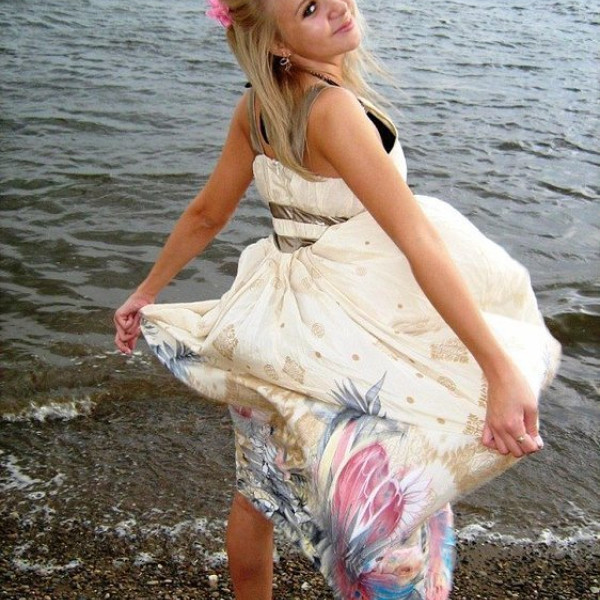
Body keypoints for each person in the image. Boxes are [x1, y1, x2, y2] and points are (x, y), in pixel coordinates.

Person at [114, 1, 561, 598]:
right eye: (308, 9)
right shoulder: (334, 110)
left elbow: (206, 215)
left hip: (272, 322)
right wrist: (498, 370)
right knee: (398, 482)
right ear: (279, 42)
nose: (335, 8)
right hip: (351, 325)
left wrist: (145, 291)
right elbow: (417, 240)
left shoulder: (256, 108)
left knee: (258, 490)